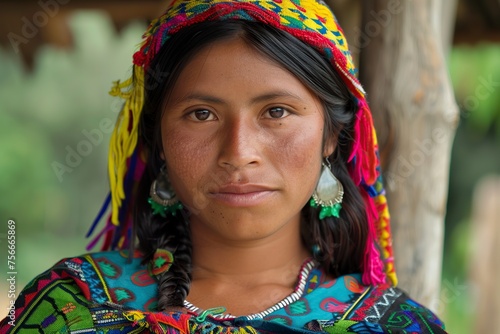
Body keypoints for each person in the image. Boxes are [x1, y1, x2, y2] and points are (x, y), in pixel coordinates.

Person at [1, 0, 447, 333]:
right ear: (158, 138)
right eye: (201, 114)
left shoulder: (396, 326)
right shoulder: (67, 307)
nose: (238, 152)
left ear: (332, 135)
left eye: (276, 112)